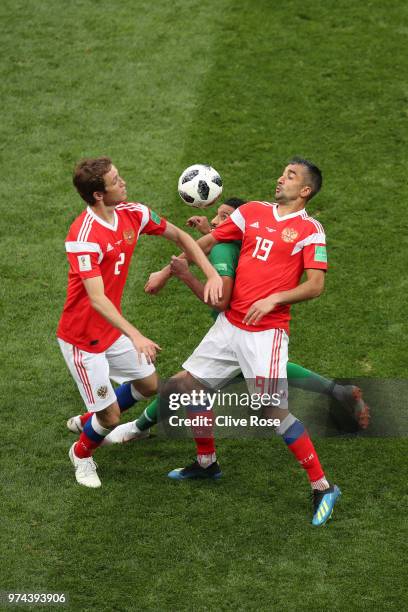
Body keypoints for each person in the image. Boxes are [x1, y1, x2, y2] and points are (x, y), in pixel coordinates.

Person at [146, 156, 340, 526]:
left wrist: (274, 298)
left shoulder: (310, 230)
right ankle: (207, 463)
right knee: (183, 386)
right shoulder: (251, 212)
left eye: (290, 176)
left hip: (265, 333)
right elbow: (207, 239)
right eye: (282, 173)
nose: (279, 179)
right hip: (230, 325)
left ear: (306, 191)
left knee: (270, 411)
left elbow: (315, 285)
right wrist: (166, 270)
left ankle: (323, 486)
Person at [93, 197, 368, 447]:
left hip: (241, 327)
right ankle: (339, 392)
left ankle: (136, 428)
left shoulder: (225, 252)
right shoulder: (249, 241)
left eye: (224, 217)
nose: (215, 221)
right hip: (244, 328)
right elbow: (230, 243)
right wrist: (207, 232)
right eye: (217, 215)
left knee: (185, 385)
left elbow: (219, 300)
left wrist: (181, 274)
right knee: (263, 375)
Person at [57, 156, 222, 488]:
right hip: (82, 339)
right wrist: (135, 335)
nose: (123, 183)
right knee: (111, 418)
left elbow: (182, 238)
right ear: (98, 195)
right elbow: (96, 298)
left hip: (111, 329)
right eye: (116, 181)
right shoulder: (84, 236)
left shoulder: (134, 213)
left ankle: (91, 418)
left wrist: (212, 274)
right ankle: (81, 452)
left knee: (148, 385)